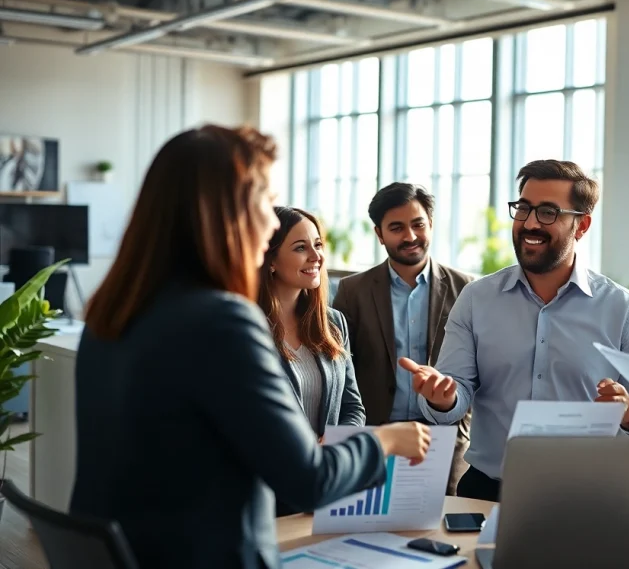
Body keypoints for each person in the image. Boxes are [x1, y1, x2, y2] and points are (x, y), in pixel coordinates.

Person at [70, 125, 430, 569]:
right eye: (263, 200)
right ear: (228, 212)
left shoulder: (111, 313)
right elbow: (308, 479)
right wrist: (387, 440)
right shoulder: (222, 321)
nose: (267, 221)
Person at [400, 160, 629, 503]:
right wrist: (443, 398)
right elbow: (454, 398)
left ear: (582, 224)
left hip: (588, 498)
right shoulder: (476, 299)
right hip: (488, 492)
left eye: (548, 212)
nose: (530, 223)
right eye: (524, 209)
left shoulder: (623, 310)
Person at [333, 183, 473, 495]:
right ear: (379, 234)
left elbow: (479, 368)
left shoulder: (468, 289)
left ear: (431, 225)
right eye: (396, 228)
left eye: (418, 224)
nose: (409, 236)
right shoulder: (352, 291)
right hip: (377, 437)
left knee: (440, 533)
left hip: (444, 439)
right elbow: (340, 372)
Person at [259, 206, 366, 436]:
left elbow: (353, 408)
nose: (317, 256)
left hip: (327, 466)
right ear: (271, 260)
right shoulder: (249, 327)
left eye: (318, 245)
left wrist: (330, 445)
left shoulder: (333, 323)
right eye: (301, 248)